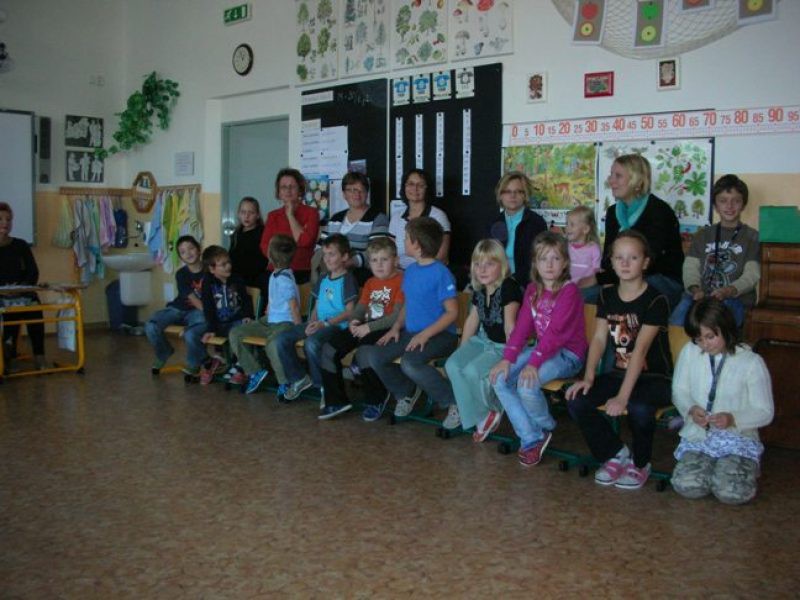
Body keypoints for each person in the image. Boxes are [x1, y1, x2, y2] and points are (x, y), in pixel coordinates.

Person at [566, 230, 673, 490]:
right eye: (619, 258)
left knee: (638, 407)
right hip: (619, 373)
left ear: (645, 262)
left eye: (633, 258)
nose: (625, 263)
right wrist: (588, 377)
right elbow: (599, 339)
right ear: (611, 262)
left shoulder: (656, 299)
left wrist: (623, 397)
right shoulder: (607, 295)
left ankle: (640, 463)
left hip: (654, 378)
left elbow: (640, 350)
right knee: (577, 399)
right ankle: (614, 454)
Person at [490, 232, 587, 465]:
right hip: (543, 351)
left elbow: (555, 333)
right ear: (535, 263)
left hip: (568, 354)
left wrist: (533, 363)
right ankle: (533, 435)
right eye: (543, 259)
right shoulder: (533, 290)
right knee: (499, 379)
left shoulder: (569, 291)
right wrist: (507, 358)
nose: (549, 265)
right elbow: (522, 328)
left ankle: (545, 426)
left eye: (555, 259)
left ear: (565, 263)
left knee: (526, 385)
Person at [670, 298, 773, 504]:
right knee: (686, 486)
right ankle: (714, 470)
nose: (705, 344)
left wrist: (733, 418)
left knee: (732, 494)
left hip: (737, 439)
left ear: (726, 328)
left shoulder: (751, 362)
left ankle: (734, 469)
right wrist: (691, 409)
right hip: (699, 436)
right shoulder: (690, 352)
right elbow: (679, 391)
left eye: (710, 337)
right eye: (698, 339)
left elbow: (765, 411)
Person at [357, 217, 458, 421]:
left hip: (440, 336)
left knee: (410, 363)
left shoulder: (441, 273)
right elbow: (408, 304)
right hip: (411, 333)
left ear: (417, 245)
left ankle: (453, 402)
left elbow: (452, 312)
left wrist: (425, 335)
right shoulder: (410, 271)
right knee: (374, 356)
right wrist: (395, 327)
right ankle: (406, 393)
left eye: (406, 238)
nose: (402, 241)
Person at [318, 237, 405, 421]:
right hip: (365, 326)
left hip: (386, 328)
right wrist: (355, 320)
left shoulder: (402, 281)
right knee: (329, 349)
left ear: (396, 260)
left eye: (384, 259)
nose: (379, 265)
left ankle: (375, 399)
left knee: (364, 351)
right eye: (374, 260)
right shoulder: (370, 282)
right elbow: (360, 307)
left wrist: (368, 327)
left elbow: (396, 316)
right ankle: (336, 401)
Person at [444, 239, 522, 439]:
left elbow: (510, 327)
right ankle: (477, 415)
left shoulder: (509, 287)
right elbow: (472, 320)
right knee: (453, 364)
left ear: (501, 265)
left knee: (472, 371)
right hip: (483, 341)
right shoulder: (480, 288)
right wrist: (462, 350)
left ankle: (490, 410)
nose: (482, 269)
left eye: (489, 264)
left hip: (503, 346)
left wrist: (509, 358)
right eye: (478, 264)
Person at [585, 154, 684, 309]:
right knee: (578, 295)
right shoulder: (612, 213)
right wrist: (604, 280)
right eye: (611, 175)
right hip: (622, 277)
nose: (611, 181)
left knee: (626, 300)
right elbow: (608, 258)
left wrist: (602, 279)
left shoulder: (659, 211)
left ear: (637, 180)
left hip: (660, 279)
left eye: (618, 176)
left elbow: (648, 262)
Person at [275, 234, 359, 403]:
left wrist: (324, 324)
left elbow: (350, 312)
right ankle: (299, 378)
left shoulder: (348, 279)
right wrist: (312, 322)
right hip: (319, 323)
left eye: (332, 254)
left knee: (312, 343)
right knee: (282, 339)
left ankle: (323, 387)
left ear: (344, 257)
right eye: (325, 254)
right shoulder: (323, 278)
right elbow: (317, 307)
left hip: (337, 326)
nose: (326, 259)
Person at [670, 175, 759, 328]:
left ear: (743, 204)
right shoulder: (702, 235)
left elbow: (752, 275)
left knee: (716, 328)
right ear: (715, 206)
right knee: (676, 323)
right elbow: (690, 268)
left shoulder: (752, 237)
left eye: (736, 201)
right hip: (700, 297)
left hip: (734, 298)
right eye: (723, 201)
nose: (729, 206)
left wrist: (729, 290)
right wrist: (695, 289)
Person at [227, 234, 302, 400]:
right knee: (236, 333)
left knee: (272, 344)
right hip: (270, 320)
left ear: (270, 255)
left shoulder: (284, 280)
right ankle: (255, 370)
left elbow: (294, 307)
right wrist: (269, 307)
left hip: (285, 323)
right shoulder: (275, 274)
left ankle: (285, 382)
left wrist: (298, 330)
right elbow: (276, 299)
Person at [144, 235, 207, 376]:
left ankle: (195, 363)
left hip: (198, 312)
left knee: (193, 332)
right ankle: (164, 352)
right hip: (177, 309)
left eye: (191, 248)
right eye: (183, 252)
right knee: (150, 326)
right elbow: (192, 298)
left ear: (199, 249)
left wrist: (208, 316)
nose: (188, 253)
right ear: (180, 257)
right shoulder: (181, 274)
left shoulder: (209, 270)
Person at [314, 172, 390, 286]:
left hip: (361, 281)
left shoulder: (378, 218)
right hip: (330, 278)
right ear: (344, 194)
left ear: (367, 192)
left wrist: (351, 262)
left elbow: (378, 252)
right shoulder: (335, 218)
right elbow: (320, 247)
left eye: (360, 190)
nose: (356, 194)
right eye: (351, 190)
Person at [0, 202, 46, 371]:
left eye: (8, 219)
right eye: (0, 219)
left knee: (33, 305)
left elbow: (33, 272)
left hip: (21, 292)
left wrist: (20, 288)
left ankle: (39, 356)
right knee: (8, 311)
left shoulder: (20, 245)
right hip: (1, 296)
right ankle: (8, 356)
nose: (5, 223)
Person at [199, 245, 254, 384]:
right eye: (223, 265)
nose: (228, 266)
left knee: (238, 332)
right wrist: (211, 328)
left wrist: (247, 315)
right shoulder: (207, 283)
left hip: (236, 320)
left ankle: (239, 366)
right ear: (212, 269)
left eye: (228, 262)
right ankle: (214, 362)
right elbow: (208, 308)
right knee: (198, 334)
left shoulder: (237, 280)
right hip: (219, 323)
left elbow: (246, 300)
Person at [259, 168, 320, 284]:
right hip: (276, 269)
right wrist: (280, 261)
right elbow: (265, 245)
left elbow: (304, 241)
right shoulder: (273, 216)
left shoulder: (312, 213)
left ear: (300, 190)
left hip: (301, 271)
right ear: (279, 192)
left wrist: (290, 215)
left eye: (292, 187)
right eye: (283, 187)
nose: (288, 191)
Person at [488, 171, 548, 287]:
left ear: (525, 195)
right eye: (507, 191)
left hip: (525, 285)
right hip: (496, 282)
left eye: (518, 191)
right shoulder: (493, 223)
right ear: (500, 195)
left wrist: (513, 281)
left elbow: (540, 261)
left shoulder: (536, 222)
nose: (512, 196)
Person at [389, 169, 451, 269]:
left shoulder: (438, 216)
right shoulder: (396, 218)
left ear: (427, 189)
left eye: (420, 185)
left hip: (428, 273)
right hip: (399, 273)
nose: (415, 188)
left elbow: (441, 257)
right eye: (411, 184)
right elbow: (390, 253)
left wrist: (416, 272)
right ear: (404, 187)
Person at [229, 196, 268, 289]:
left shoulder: (263, 233)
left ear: (257, 215)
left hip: (255, 279)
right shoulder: (236, 233)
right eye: (243, 212)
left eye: (251, 213)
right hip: (236, 278)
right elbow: (231, 255)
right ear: (238, 214)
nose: (246, 216)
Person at [565, 205, 601, 292]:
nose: (567, 228)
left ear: (585, 229)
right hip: (567, 287)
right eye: (567, 224)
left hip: (587, 288)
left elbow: (596, 271)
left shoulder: (594, 249)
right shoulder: (566, 246)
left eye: (572, 225)